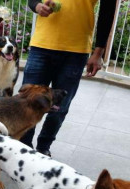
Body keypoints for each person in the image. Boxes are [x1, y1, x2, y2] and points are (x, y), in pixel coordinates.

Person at [20, 0, 117, 156]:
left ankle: (43, 147)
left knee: (59, 108)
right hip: (41, 46)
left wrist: (98, 53)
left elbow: (107, 13)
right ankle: (23, 148)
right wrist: (37, 6)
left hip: (76, 51)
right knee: (28, 101)